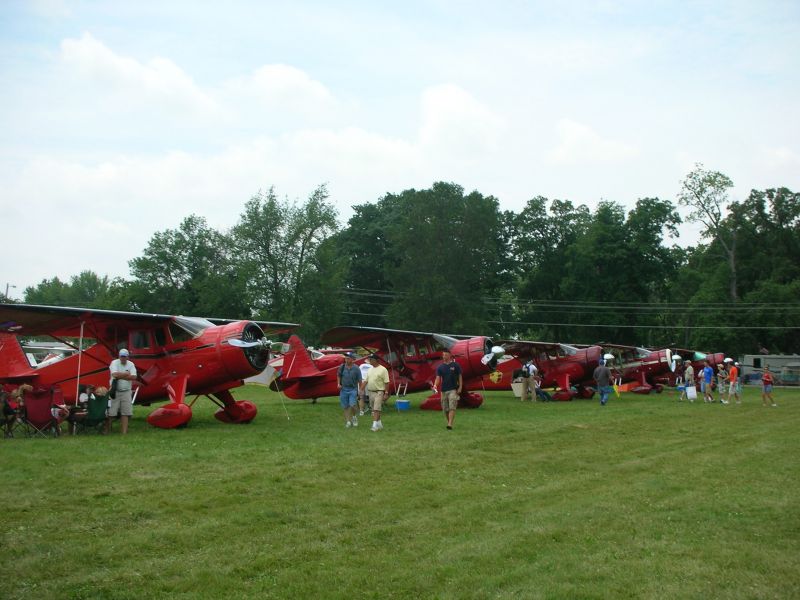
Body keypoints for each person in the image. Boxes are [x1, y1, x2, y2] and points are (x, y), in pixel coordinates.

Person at [107, 348, 137, 434]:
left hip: (127, 391)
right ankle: (107, 430)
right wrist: (126, 374)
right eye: (121, 356)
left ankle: (124, 432)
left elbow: (134, 377)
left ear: (127, 357)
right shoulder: (114, 363)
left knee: (125, 412)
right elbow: (114, 374)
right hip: (115, 391)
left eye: (124, 357)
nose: (123, 358)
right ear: (119, 356)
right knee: (111, 412)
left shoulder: (131, 364)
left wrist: (119, 376)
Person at [433, 349, 462, 430]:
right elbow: (438, 378)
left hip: (453, 389)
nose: (444, 357)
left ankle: (450, 424)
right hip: (443, 390)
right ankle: (449, 421)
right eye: (443, 355)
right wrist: (435, 385)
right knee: (445, 409)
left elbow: (460, 377)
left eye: (445, 355)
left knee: (452, 406)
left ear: (450, 355)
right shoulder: (440, 367)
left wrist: (460, 387)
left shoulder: (456, 365)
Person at [364, 354, 390, 431]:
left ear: (376, 360)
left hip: (379, 392)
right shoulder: (370, 369)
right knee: (374, 409)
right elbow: (366, 381)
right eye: (369, 359)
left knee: (376, 409)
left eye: (371, 359)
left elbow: (387, 382)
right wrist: (361, 390)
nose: (370, 361)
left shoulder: (383, 369)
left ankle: (374, 425)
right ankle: (379, 423)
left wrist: (386, 393)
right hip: (370, 391)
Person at [337, 353, 362, 428]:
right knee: (345, 406)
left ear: (352, 359)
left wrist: (360, 390)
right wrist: (338, 384)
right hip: (343, 389)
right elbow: (338, 375)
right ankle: (348, 421)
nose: (346, 360)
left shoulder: (356, 368)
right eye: (345, 358)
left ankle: (354, 418)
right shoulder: (342, 367)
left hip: (353, 389)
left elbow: (360, 380)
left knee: (352, 405)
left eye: (348, 358)